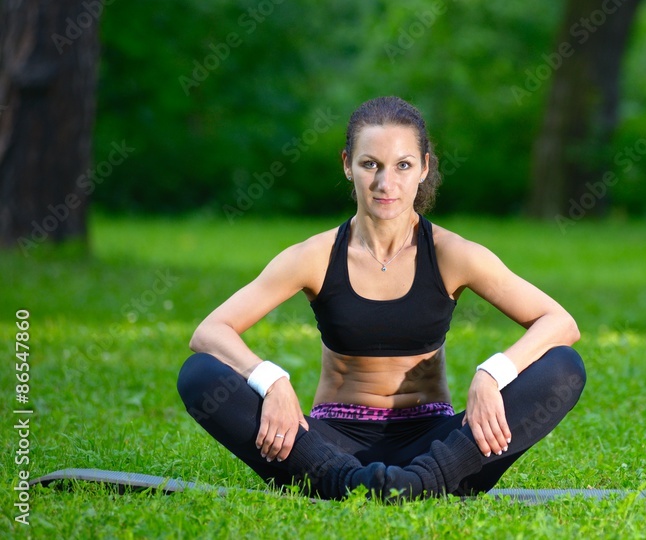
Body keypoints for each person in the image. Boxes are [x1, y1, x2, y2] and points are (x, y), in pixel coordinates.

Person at [177, 96, 586, 500]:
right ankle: (367, 482)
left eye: (402, 165)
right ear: (347, 164)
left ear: (424, 167)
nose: (385, 183)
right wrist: (271, 381)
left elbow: (559, 323)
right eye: (370, 164)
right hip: (328, 445)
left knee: (564, 368)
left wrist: (492, 374)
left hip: (437, 446)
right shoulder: (315, 256)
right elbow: (210, 331)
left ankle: (414, 481)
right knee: (200, 375)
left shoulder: (451, 254)